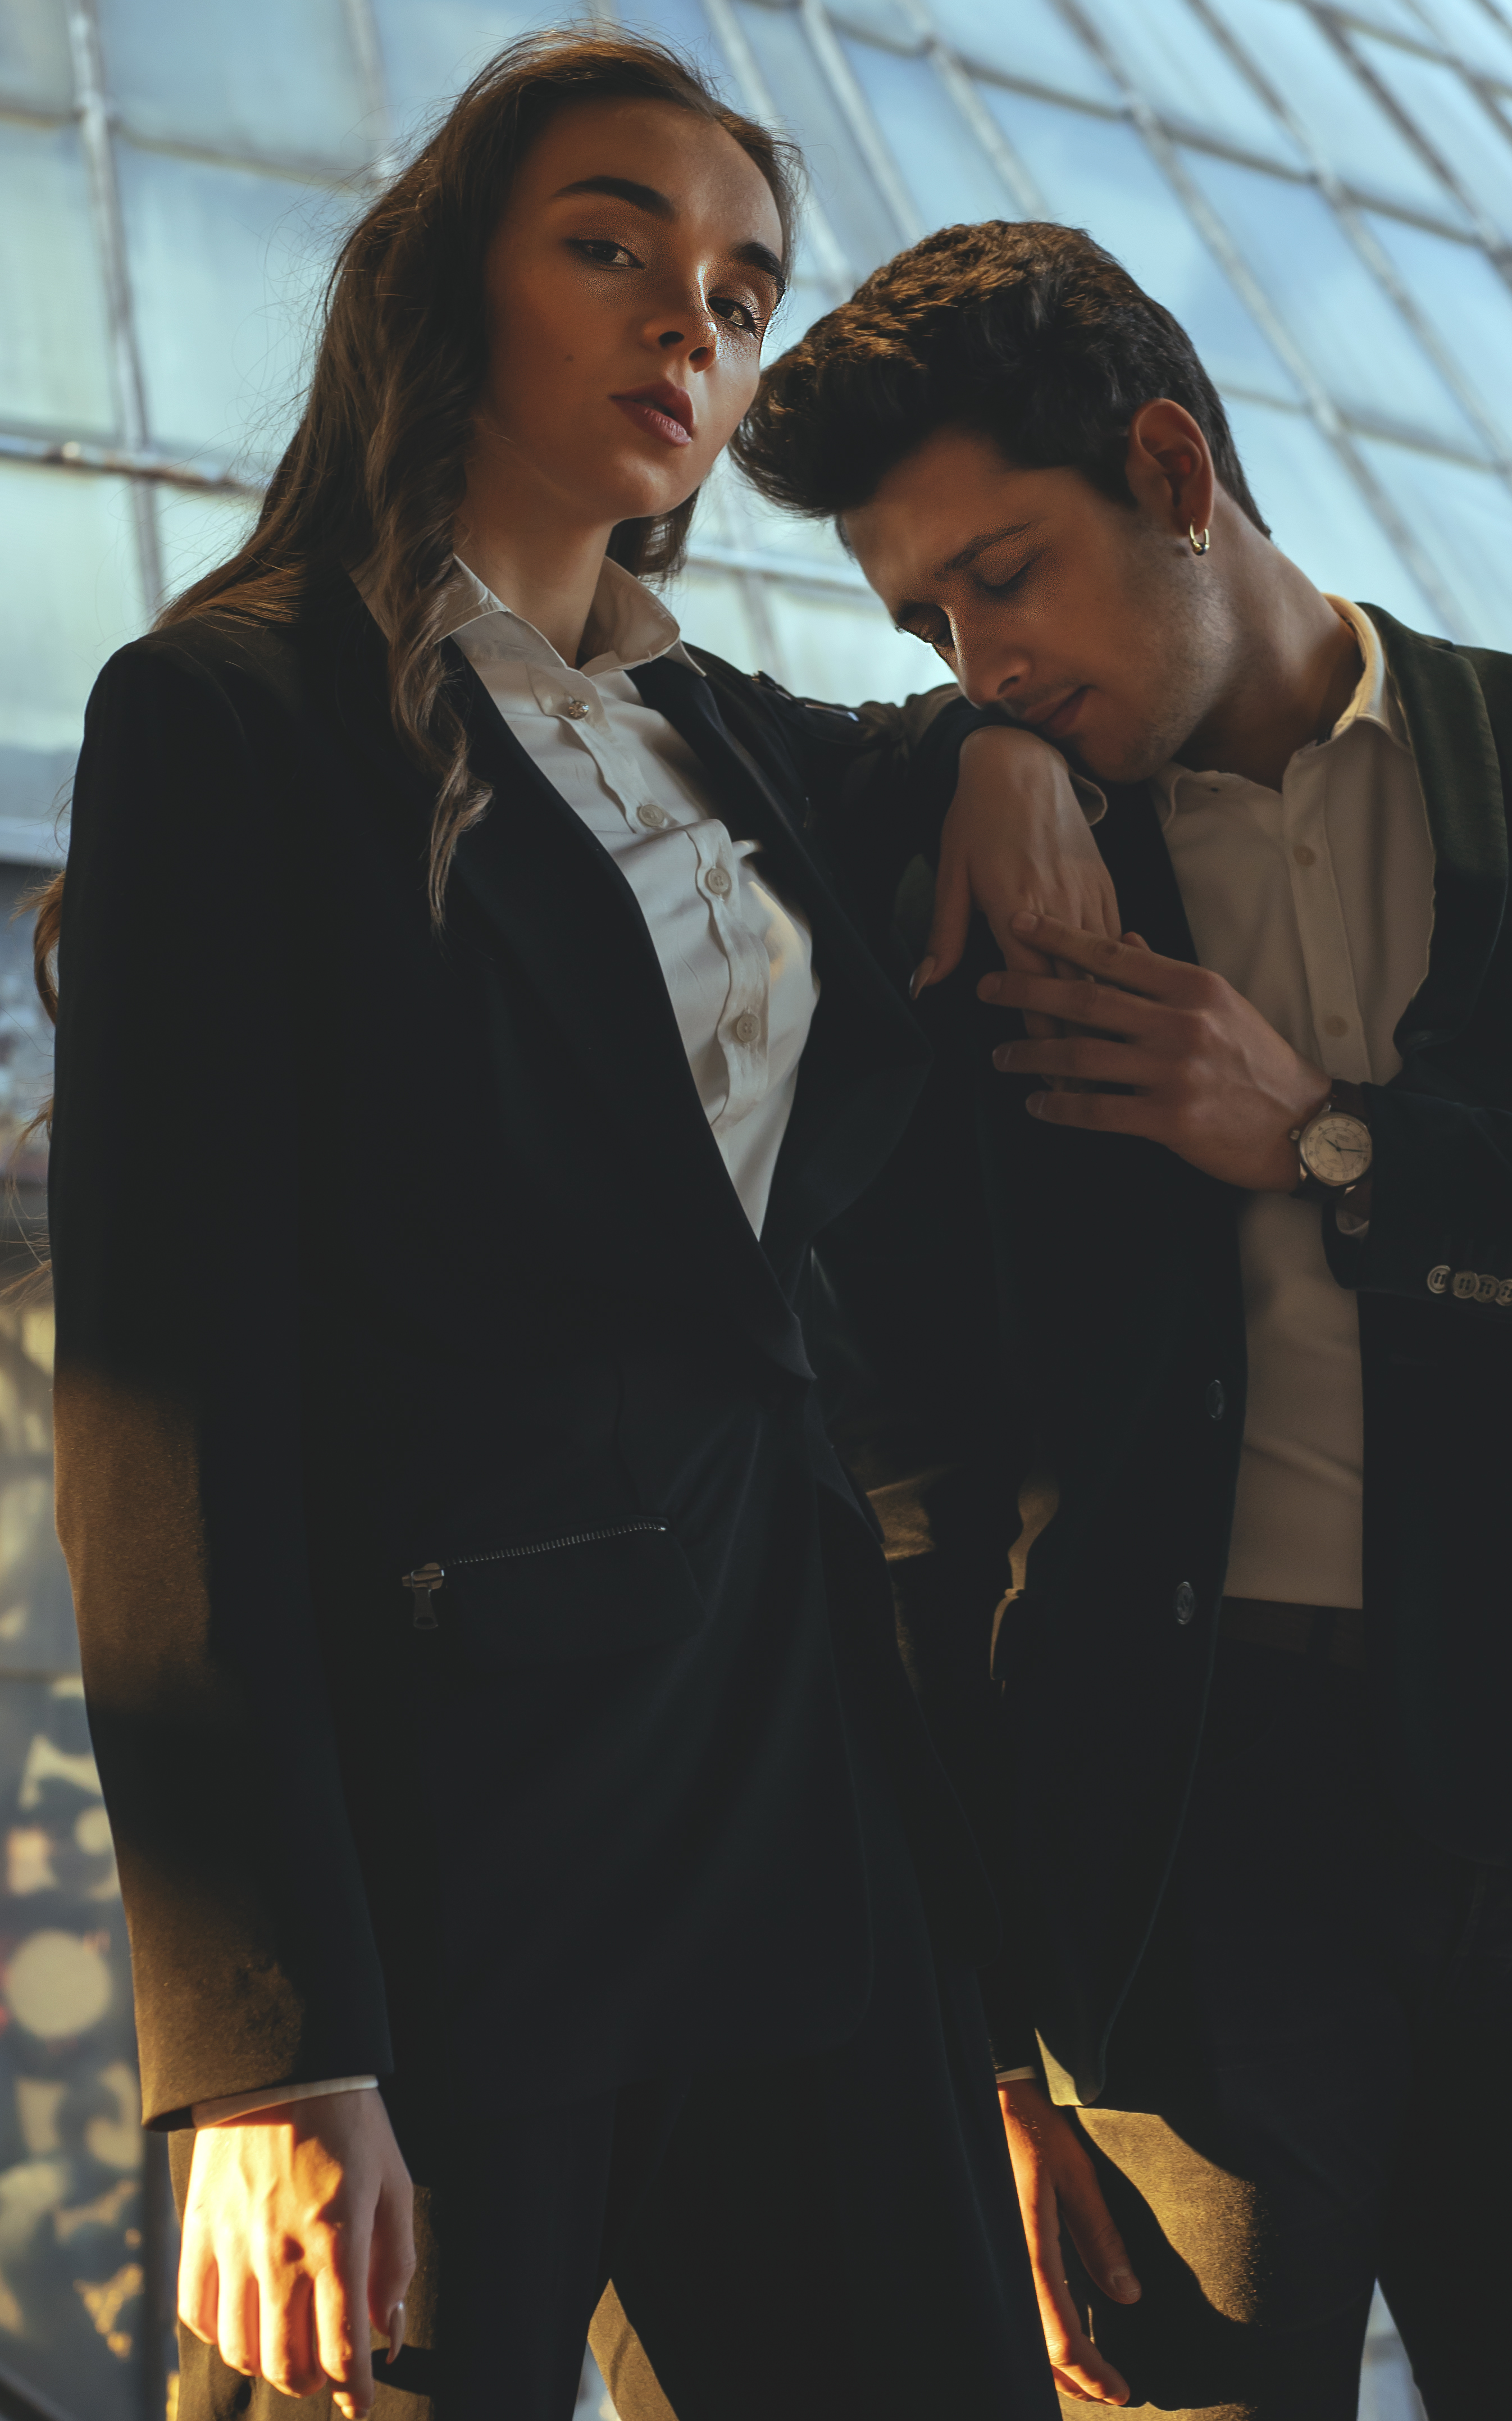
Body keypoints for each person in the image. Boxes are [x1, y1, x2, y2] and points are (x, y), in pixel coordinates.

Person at [727, 220, 1512, 2419]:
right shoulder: (1001, 866)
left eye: (1005, 577)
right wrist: (983, 2050)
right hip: (1180, 1886)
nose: (980, 657)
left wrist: (1337, 1143)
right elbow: (919, 1476)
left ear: (1174, 470)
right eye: (928, 622)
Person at [44, 47, 1110, 2421]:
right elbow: (169, 1409)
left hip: (804, 1805)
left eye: (738, 293)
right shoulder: (233, 717)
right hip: (458, 1869)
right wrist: (266, 2040)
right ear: (450, 288)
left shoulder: (725, 739)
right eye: (613, 246)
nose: (687, 328)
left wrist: (994, 748)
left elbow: (897, 757)